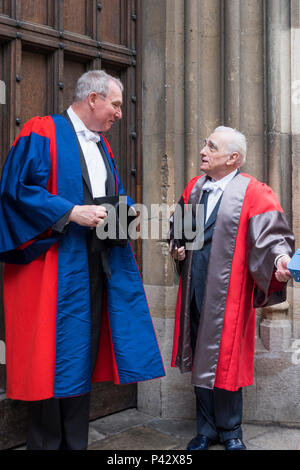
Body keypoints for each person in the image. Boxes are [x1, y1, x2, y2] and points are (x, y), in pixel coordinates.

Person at [0, 70, 164, 450]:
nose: (120, 114)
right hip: (51, 266)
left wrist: (130, 216)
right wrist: (70, 212)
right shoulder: (43, 131)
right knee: (47, 359)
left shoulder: (102, 146)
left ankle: (76, 444)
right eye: (116, 104)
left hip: (93, 267)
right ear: (93, 99)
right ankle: (45, 445)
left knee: (79, 359)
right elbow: (15, 189)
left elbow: (111, 198)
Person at [169, 126, 294, 451]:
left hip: (230, 296)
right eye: (205, 143)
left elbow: (272, 237)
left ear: (233, 158)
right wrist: (178, 245)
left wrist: (281, 259)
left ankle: (230, 430)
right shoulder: (194, 189)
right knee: (200, 357)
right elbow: (179, 230)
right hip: (195, 291)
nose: (203, 150)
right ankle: (206, 430)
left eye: (212, 146)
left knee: (227, 360)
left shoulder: (253, 192)